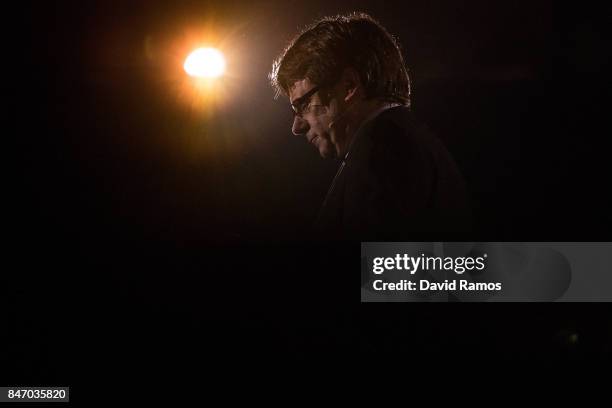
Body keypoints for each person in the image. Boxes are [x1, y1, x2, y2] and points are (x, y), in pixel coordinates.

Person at [269, 12, 470, 240]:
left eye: (302, 104)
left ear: (349, 86)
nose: (296, 126)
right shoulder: (409, 144)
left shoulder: (383, 153)